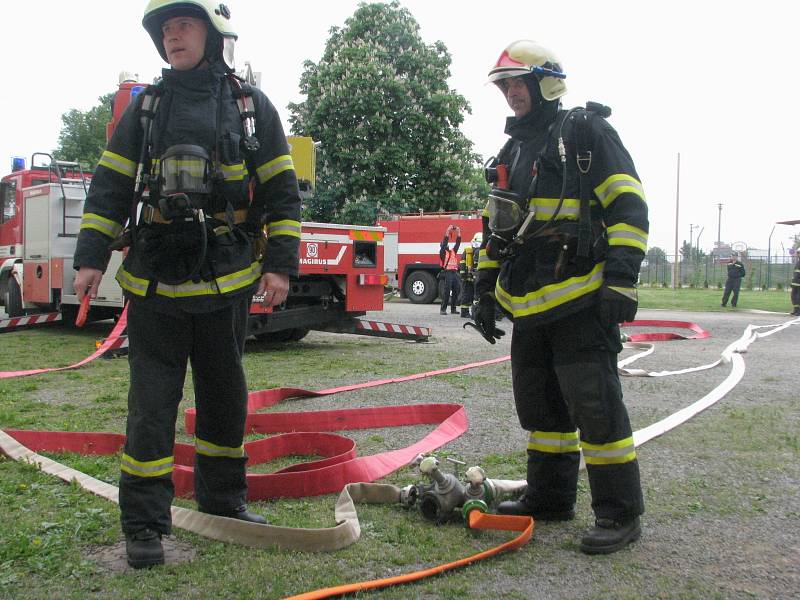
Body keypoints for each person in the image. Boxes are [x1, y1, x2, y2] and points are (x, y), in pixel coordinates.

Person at [72, 0, 301, 569]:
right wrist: (90, 256)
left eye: (184, 25)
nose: (174, 36)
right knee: (151, 409)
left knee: (225, 401)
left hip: (227, 283)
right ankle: (145, 527)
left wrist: (280, 264)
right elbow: (110, 186)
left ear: (211, 31)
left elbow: (282, 190)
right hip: (153, 286)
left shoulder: (251, 107)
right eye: (166, 28)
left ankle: (224, 503)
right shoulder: (146, 108)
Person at [472, 40, 648, 554]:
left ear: (546, 81)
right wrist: (484, 290)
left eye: (516, 83)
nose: (509, 94)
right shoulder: (512, 151)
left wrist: (620, 279)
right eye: (503, 86)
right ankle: (550, 498)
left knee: (595, 408)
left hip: (582, 299)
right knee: (542, 409)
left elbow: (628, 204)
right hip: (530, 304)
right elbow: (497, 230)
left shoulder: (585, 131)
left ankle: (619, 514)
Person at [438, 224, 461, 315]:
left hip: (454, 272)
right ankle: (443, 309)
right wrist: (447, 231)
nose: (446, 245)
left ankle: (453, 309)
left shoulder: (452, 251)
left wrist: (459, 232)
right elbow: (445, 241)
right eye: (445, 244)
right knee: (447, 291)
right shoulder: (442, 252)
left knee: (457, 289)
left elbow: (458, 243)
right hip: (447, 273)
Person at [457, 233, 480, 318]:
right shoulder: (476, 252)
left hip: (467, 277)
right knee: (473, 296)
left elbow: (462, 265)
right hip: (472, 277)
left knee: (466, 294)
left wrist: (463, 276)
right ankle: (469, 313)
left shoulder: (467, 251)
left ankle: (465, 312)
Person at [790, 252, 800, 316]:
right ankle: (796, 309)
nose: (798, 254)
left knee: (798, 297)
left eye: (799, 253)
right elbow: (796, 273)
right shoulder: (798, 262)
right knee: (793, 296)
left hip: (798, 283)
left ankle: (798, 311)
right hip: (795, 283)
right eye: (798, 253)